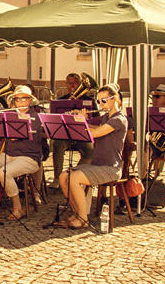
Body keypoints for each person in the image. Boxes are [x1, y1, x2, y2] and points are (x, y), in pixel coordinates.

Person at [58, 83, 127, 229]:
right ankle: (77, 212)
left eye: (103, 100)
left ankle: (83, 219)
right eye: (98, 101)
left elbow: (94, 134)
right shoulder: (106, 118)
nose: (100, 104)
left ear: (114, 99)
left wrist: (81, 121)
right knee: (64, 176)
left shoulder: (119, 119)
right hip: (97, 165)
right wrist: (79, 121)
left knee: (74, 178)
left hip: (110, 168)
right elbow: (96, 129)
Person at [0, 86, 44, 221]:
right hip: (9, 155)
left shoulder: (36, 117)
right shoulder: (9, 114)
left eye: (24, 99)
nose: (20, 102)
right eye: (17, 99)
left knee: (4, 172)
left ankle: (18, 208)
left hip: (29, 158)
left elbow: (14, 136)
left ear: (30, 101)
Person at [50, 73, 94, 188]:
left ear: (79, 84)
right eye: (69, 83)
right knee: (57, 145)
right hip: (65, 134)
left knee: (90, 151)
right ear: (66, 84)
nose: (72, 86)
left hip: (82, 133)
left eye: (75, 83)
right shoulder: (60, 100)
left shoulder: (89, 100)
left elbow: (96, 119)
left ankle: (74, 174)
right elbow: (54, 119)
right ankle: (57, 178)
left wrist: (86, 118)